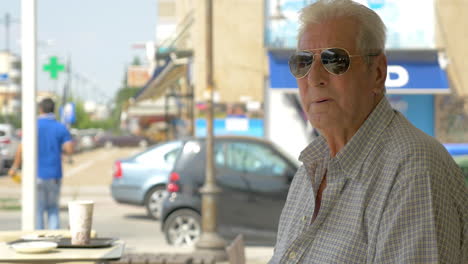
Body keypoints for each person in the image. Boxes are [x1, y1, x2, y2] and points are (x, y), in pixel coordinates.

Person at [269, 1, 467, 263]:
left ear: (377, 72)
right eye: (303, 62)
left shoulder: (413, 171)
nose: (314, 77)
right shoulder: (312, 168)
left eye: (334, 60)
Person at [9, 98, 73, 230]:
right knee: (53, 208)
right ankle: (54, 238)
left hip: (35, 174)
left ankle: (39, 238)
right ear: (54, 109)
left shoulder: (32, 126)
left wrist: (15, 167)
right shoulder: (60, 127)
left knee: (37, 209)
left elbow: (21, 148)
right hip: (54, 173)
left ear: (40, 109)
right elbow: (69, 150)